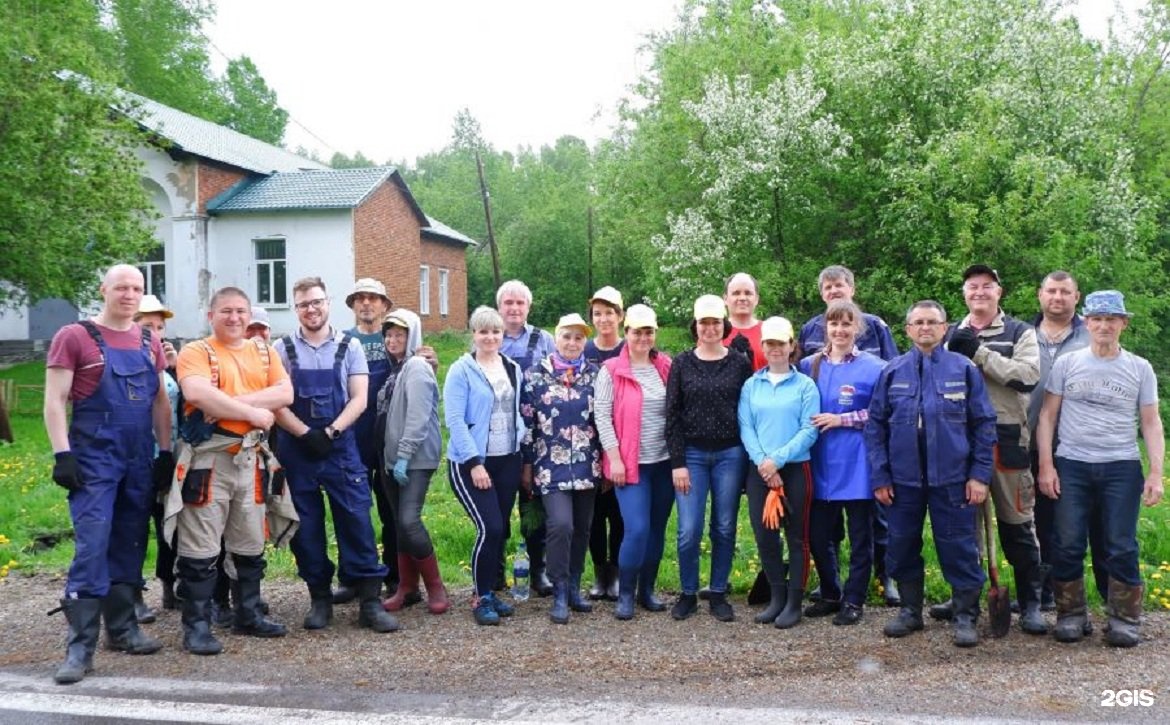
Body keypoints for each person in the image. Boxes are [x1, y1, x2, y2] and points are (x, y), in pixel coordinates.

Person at [44, 265, 173, 684]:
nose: (129, 294)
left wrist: (165, 451)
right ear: (104, 290)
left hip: (137, 458)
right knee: (92, 544)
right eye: (121, 287)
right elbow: (54, 400)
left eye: (137, 288)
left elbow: (159, 403)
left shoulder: (149, 339)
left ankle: (123, 630)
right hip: (93, 459)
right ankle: (79, 648)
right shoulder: (75, 336)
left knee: (131, 541)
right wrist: (62, 454)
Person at [168, 286, 294, 656]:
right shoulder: (197, 351)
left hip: (250, 459)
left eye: (241, 311)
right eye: (226, 311)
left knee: (250, 541)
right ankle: (197, 626)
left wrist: (233, 406)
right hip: (209, 461)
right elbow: (196, 393)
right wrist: (254, 413)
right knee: (200, 546)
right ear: (211, 315)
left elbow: (285, 392)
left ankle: (248, 614)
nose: (235, 318)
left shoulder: (263, 350)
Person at [1036, 290, 1164, 647]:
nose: (1104, 326)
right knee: (1067, 542)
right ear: (1087, 323)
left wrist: (1155, 473)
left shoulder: (1139, 368)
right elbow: (1047, 416)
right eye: (1097, 319)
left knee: (1120, 544)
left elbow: (1151, 423)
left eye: (1112, 319)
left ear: (1123, 323)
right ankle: (1071, 615)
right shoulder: (1068, 363)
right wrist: (1047, 464)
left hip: (1121, 466)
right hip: (1073, 464)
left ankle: (1123, 619)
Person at [272, 277, 399, 634]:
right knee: (306, 528)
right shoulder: (281, 349)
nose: (311, 309)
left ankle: (370, 603)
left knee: (357, 520)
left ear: (327, 303)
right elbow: (278, 400)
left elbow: (359, 397)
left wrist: (330, 432)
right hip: (297, 450)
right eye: (303, 304)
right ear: (296, 309)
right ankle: (319, 599)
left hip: (340, 447)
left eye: (316, 302)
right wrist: (304, 433)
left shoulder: (350, 345)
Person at [867, 300, 996, 648]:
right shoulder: (892, 371)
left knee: (958, 548)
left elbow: (983, 424)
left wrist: (979, 476)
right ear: (907, 330)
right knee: (901, 545)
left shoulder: (963, 369)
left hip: (953, 480)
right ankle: (910, 612)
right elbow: (875, 427)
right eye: (918, 322)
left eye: (932, 322)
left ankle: (966, 615)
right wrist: (880, 477)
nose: (925, 327)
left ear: (945, 328)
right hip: (902, 481)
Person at [940, 265, 1046, 635]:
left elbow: (1028, 377)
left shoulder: (1020, 331)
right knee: (963, 527)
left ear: (999, 292)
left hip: (1007, 439)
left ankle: (1031, 603)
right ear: (964, 292)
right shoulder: (949, 332)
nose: (980, 292)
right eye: (973, 286)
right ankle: (964, 598)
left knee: (1017, 524)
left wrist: (981, 353)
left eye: (988, 286)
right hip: (958, 440)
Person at [797, 264, 901, 607]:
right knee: (820, 534)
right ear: (823, 327)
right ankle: (830, 592)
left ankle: (855, 599)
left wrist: (842, 420)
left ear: (857, 327)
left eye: (846, 324)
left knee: (862, 536)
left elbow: (886, 412)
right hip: (820, 463)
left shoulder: (875, 366)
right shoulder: (809, 365)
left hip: (858, 463)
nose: (839, 330)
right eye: (833, 323)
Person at [665, 295, 752, 622]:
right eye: (704, 323)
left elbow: (748, 410)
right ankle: (688, 592)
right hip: (693, 455)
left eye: (716, 322)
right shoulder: (683, 363)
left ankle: (717, 592)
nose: (710, 328)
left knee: (725, 526)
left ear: (724, 326)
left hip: (731, 453)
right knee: (689, 528)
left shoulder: (739, 362)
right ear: (696, 327)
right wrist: (677, 463)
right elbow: (671, 415)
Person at [445, 306, 527, 625]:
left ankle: (492, 593)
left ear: (502, 335)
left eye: (495, 331)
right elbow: (455, 420)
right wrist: (475, 463)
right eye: (483, 331)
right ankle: (480, 597)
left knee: (501, 529)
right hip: (472, 463)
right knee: (489, 528)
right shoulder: (461, 370)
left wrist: (521, 444)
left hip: (507, 458)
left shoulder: (512, 367)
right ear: (474, 334)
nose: (490, 337)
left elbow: (518, 410)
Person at [1027, 271, 1104, 607]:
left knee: (1071, 523)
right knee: (1035, 522)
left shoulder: (1093, 334)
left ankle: (1070, 593)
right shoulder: (1022, 335)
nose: (1057, 297)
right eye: (1051, 291)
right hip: (1027, 441)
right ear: (1039, 295)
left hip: (1078, 445)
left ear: (1077, 297)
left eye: (1065, 292)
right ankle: (1040, 591)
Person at [738, 316, 819, 629]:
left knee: (796, 537)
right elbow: (746, 426)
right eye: (769, 343)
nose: (775, 349)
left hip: (796, 470)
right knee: (765, 536)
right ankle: (776, 597)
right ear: (763, 347)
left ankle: (794, 603)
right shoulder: (751, 385)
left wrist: (778, 460)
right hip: (759, 471)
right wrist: (763, 462)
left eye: (780, 343)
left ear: (791, 347)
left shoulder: (805, 385)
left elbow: (809, 429)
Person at [521, 313, 602, 624]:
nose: (572, 342)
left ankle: (574, 588)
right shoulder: (535, 376)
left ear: (585, 342)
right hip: (549, 466)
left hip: (586, 464)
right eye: (567, 336)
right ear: (556, 339)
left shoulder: (595, 375)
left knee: (582, 528)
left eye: (579, 337)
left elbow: (603, 420)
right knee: (561, 525)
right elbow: (528, 423)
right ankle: (558, 590)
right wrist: (527, 464)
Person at [594, 304, 674, 620]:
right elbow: (601, 415)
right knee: (637, 529)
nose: (643, 337)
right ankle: (625, 592)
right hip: (630, 464)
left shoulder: (665, 366)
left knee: (656, 530)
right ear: (626, 333)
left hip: (664, 463)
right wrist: (613, 458)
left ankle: (647, 590)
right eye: (637, 331)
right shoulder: (611, 370)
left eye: (649, 332)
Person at [377, 308, 449, 615]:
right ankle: (406, 587)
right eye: (389, 335)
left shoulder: (417, 366)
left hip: (415, 458)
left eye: (400, 335)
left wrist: (404, 455)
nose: (393, 340)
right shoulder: (397, 368)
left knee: (409, 520)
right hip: (391, 459)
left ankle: (435, 585)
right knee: (399, 524)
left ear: (413, 336)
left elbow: (419, 417)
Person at [336, 278, 399, 605]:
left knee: (391, 510)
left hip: (388, 435)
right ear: (352, 305)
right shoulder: (343, 341)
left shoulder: (396, 338)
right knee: (352, 509)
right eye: (360, 298)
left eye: (373, 298)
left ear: (384, 305)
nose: (366, 304)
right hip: (353, 437)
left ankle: (394, 577)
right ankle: (351, 577)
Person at [496, 280, 555, 596]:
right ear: (499, 308)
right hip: (499, 435)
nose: (514, 308)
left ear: (528, 307)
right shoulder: (490, 337)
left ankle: (537, 570)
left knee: (536, 506)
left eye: (520, 303)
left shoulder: (544, 339)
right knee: (499, 505)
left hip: (539, 435)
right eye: (508, 303)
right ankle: (496, 570)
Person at [132, 294, 180, 623]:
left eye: (159, 326)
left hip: (169, 456)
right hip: (135, 459)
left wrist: (177, 368)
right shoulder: (127, 358)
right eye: (147, 325)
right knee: (134, 529)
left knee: (170, 527)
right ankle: (132, 593)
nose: (154, 331)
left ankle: (170, 585)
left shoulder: (169, 364)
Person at [582, 285, 625, 600]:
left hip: (623, 445)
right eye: (598, 313)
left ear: (620, 316)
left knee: (620, 514)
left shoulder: (630, 349)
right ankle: (600, 573)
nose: (604, 318)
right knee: (595, 515)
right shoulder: (584, 351)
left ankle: (619, 572)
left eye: (609, 312)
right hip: (588, 444)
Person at [722, 272, 766, 371]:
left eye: (748, 293)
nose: (742, 298)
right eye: (736, 293)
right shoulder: (714, 333)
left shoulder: (769, 331)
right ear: (725, 299)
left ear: (756, 299)